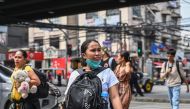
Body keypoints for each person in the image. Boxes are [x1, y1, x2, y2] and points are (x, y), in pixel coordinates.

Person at [64, 39, 123, 109]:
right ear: (84, 55)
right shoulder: (75, 74)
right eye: (93, 50)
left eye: (99, 50)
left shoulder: (108, 72)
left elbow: (114, 97)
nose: (97, 53)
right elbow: (67, 98)